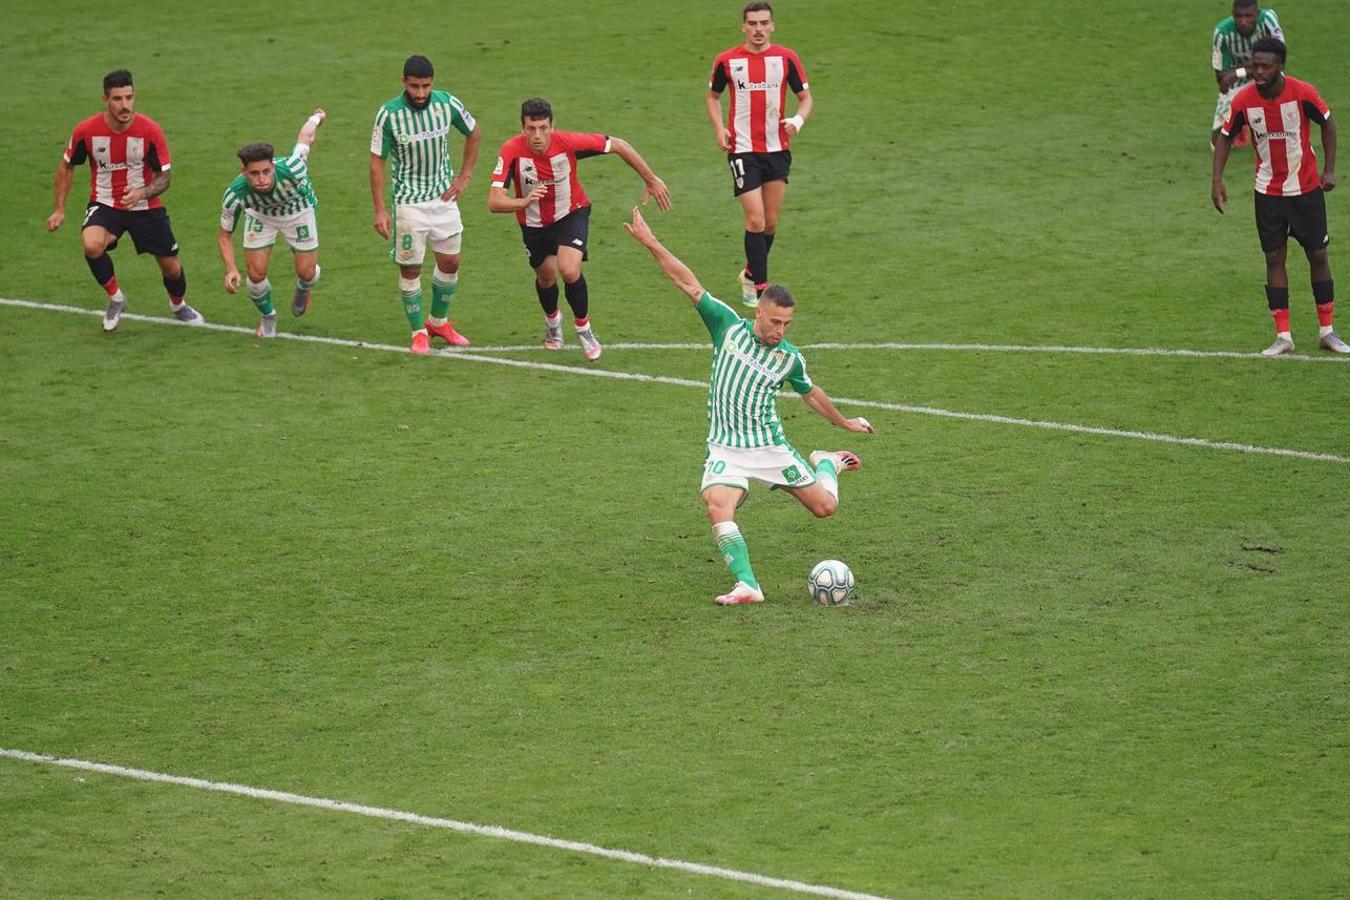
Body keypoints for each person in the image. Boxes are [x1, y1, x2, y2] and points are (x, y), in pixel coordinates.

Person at [622, 206, 875, 605]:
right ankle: (748, 585)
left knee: (825, 508)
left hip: (769, 447)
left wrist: (844, 424)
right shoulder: (727, 327)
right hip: (726, 447)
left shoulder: (789, 358)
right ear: (759, 311)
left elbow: (811, 393)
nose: (780, 331)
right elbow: (688, 284)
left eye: (787, 324)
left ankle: (826, 462)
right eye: (775, 322)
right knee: (716, 504)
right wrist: (651, 242)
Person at [488, 98, 671, 360]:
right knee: (546, 277)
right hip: (533, 223)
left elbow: (619, 144)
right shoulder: (511, 151)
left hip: (571, 213)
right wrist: (524, 202)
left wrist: (651, 180)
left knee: (569, 269)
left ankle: (583, 328)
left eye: (543, 128)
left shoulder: (569, 143)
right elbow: (494, 201)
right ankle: (553, 323)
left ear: (552, 126)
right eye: (531, 129)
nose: (537, 135)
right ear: (522, 128)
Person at [1212, 37, 1348, 356]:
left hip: (1307, 190)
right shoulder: (1244, 100)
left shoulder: (1302, 92)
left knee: (1318, 256)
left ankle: (1327, 331)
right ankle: (1283, 335)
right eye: (1255, 64)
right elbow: (1226, 138)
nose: (1258, 71)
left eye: (1265, 66)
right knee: (1274, 258)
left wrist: (1329, 170)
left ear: (1280, 67)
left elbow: (1328, 124)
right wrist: (1216, 180)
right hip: (1268, 193)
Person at [46, 69, 203, 332]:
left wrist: (141, 193)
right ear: (105, 99)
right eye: (117, 99)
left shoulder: (150, 131)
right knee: (91, 244)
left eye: (129, 97)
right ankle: (116, 299)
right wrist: (59, 209)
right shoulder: (86, 131)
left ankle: (178, 305)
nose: (125, 105)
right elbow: (66, 166)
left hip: (145, 206)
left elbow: (165, 178)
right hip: (105, 203)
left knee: (172, 268)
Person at [370, 55, 481, 354]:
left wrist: (465, 175)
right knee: (411, 269)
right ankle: (419, 331)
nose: (421, 93)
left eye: (426, 86)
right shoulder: (388, 115)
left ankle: (438, 322)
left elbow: (473, 132)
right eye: (415, 86)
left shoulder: (446, 104)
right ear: (403, 81)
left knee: (451, 261)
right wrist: (380, 208)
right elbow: (377, 162)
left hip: (444, 198)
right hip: (409, 204)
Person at [706, 1, 812, 307]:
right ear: (743, 27)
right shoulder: (727, 61)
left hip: (777, 148)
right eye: (752, 24)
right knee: (755, 220)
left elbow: (805, 98)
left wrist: (798, 120)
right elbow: (713, 97)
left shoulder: (786, 58)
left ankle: (751, 273)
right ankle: (762, 290)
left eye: (763, 23)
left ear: (772, 26)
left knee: (770, 223)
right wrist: (718, 129)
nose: (758, 29)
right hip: (742, 149)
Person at [217, 109, 326, 337]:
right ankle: (268, 316)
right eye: (255, 173)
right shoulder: (235, 195)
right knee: (255, 275)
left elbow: (305, 139)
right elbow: (224, 235)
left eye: (267, 171)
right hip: (261, 215)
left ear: (274, 167)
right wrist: (231, 269)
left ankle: (304, 287)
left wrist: (315, 119)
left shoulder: (293, 168)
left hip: (299, 212)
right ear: (243, 171)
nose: (262, 179)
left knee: (307, 272)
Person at [1211, 0, 1284, 149]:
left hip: (1269, 78)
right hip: (1238, 83)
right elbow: (1222, 78)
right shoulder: (1222, 33)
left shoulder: (1268, 20)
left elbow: (1279, 57)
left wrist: (1238, 72)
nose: (1243, 21)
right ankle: (1241, 123)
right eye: (1239, 16)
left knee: (1282, 124)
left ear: (1257, 14)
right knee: (1217, 142)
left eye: (1248, 16)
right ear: (1232, 15)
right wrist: (1244, 72)